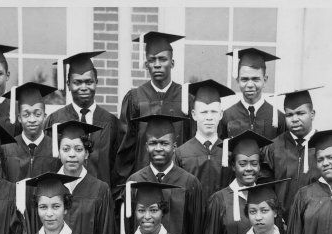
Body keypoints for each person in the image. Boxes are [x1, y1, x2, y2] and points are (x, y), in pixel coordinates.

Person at [116, 31, 194, 185]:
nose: (157, 64)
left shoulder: (187, 98)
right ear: (146, 64)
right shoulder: (135, 98)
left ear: (172, 63)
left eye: (163, 59)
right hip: (143, 182)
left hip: (178, 182)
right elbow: (125, 149)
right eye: (152, 60)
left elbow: (191, 145)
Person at [124, 114, 204, 234]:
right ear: (146, 146)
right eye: (153, 143)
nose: (158, 148)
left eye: (164, 143)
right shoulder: (134, 182)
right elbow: (130, 228)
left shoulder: (190, 183)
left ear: (174, 147)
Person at [45, 51, 124, 189]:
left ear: (96, 82)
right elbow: (48, 164)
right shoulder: (55, 120)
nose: (83, 87)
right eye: (77, 82)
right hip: (65, 197)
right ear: (68, 84)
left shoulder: (111, 122)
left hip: (100, 198)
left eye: (89, 82)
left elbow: (118, 170)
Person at [261, 87, 324, 224]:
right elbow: (265, 192)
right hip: (281, 225)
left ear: (312, 114)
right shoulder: (272, 149)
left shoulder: (326, 148)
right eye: (289, 115)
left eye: (301, 113)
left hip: (316, 223)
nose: (295, 119)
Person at [175, 79, 235, 201]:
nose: (209, 117)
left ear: (221, 114)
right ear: (194, 114)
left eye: (213, 112)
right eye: (204, 112)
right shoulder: (181, 154)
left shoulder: (229, 153)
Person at [219, 48, 285, 140]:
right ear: (238, 80)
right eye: (244, 79)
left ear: (265, 80)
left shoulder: (278, 118)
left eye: (255, 79)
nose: (250, 85)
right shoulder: (227, 116)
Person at [2, 82, 62, 182]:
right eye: (26, 115)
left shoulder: (56, 149)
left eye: (37, 114)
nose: (32, 119)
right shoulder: (7, 149)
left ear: (45, 116)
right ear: (19, 118)